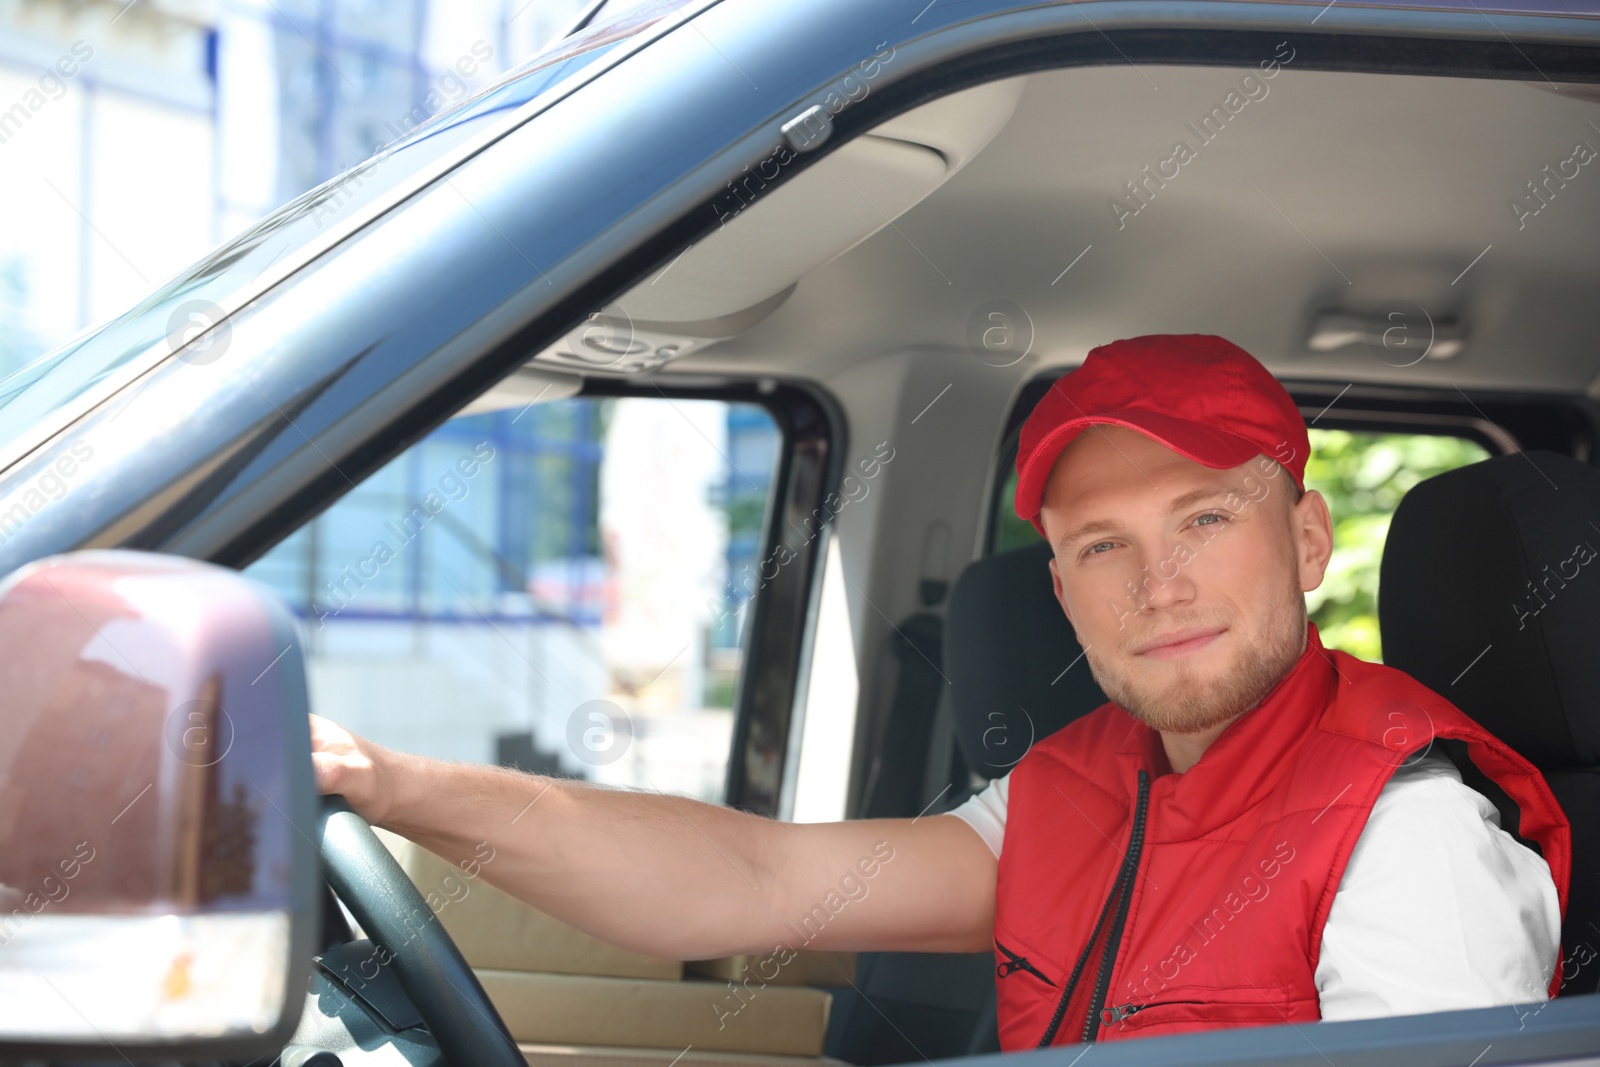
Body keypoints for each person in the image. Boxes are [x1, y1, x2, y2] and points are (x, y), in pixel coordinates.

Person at [311, 333, 1569, 1049]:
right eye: (1101, 546)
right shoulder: (1075, 786)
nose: (1159, 582)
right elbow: (753, 880)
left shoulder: (1409, 837)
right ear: (1065, 595)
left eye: (1203, 517)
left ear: (1304, 540)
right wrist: (387, 782)